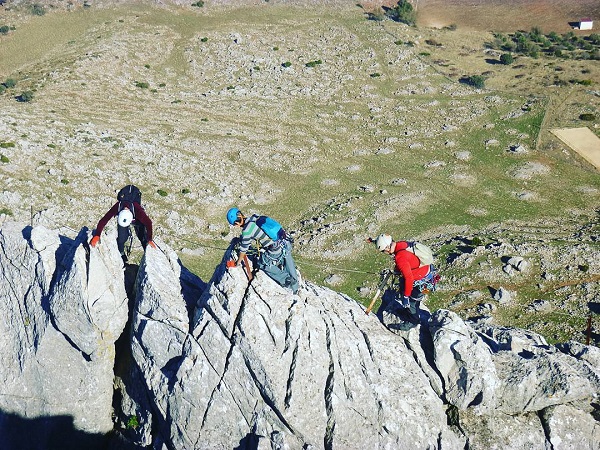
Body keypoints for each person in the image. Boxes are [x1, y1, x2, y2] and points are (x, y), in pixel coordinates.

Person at [226, 207, 299, 294]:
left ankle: (286, 280)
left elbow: (243, 250)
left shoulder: (246, 231)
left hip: (275, 248)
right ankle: (295, 287)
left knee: (262, 264)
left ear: (236, 223)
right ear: (240, 214)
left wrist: (237, 263)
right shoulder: (255, 218)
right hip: (285, 241)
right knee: (287, 257)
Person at [372, 234, 434, 324]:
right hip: (428, 274)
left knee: (412, 300)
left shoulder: (400, 257)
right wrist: (372, 241)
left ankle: (413, 321)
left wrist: (406, 296)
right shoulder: (400, 244)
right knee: (404, 286)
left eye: (383, 251)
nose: (384, 253)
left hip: (421, 281)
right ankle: (409, 310)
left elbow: (409, 278)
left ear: (387, 249)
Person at [90, 185, 156, 262]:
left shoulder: (137, 210)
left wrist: (149, 238)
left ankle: (147, 255)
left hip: (137, 221)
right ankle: (121, 253)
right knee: (122, 238)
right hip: (124, 219)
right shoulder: (118, 206)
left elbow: (148, 223)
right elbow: (104, 220)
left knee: (143, 238)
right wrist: (97, 235)